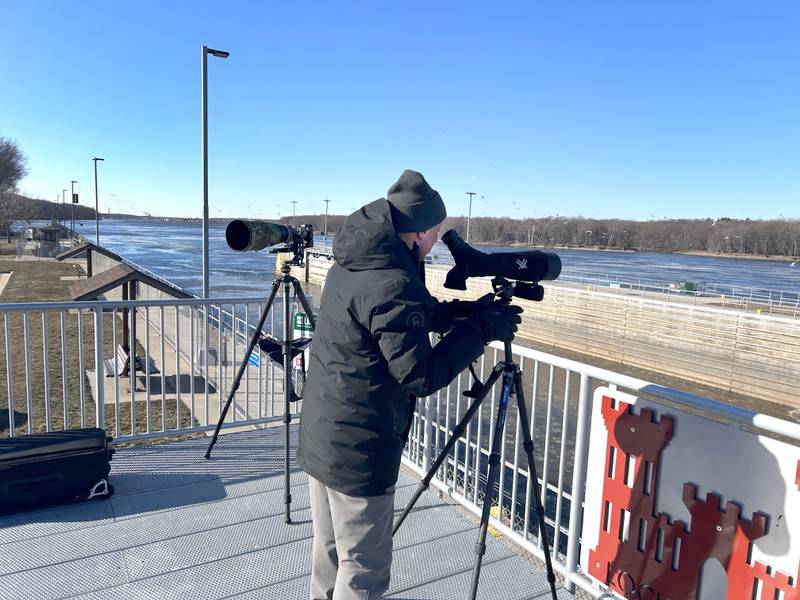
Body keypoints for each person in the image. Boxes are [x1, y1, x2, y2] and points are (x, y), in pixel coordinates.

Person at [297, 169, 523, 600]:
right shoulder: (392, 281)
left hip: (324, 433)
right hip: (359, 449)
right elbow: (420, 374)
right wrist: (480, 332)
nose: (438, 241)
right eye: (437, 232)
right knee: (364, 569)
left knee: (328, 552)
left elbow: (402, 317)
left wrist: (464, 313)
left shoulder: (362, 260)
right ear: (419, 233)